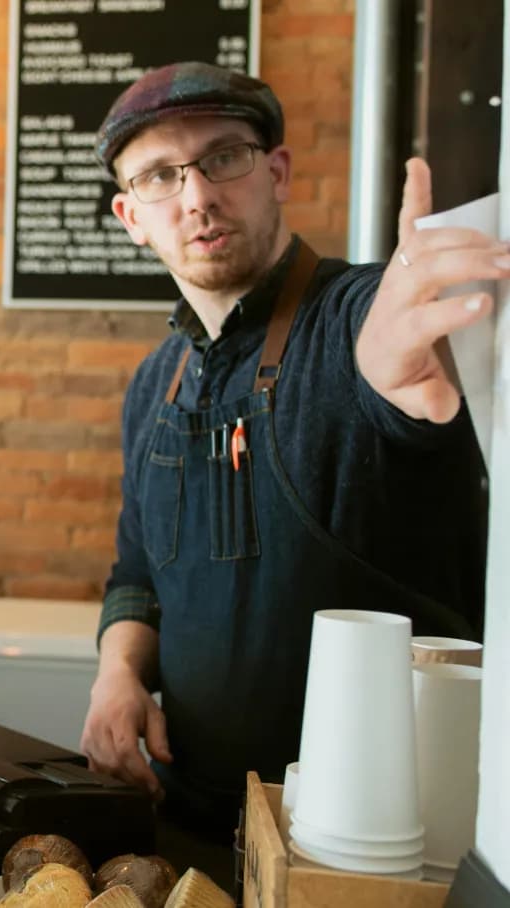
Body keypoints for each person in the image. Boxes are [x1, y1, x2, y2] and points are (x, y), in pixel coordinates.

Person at [78, 62, 491, 841]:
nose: (197, 196)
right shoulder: (153, 385)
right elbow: (137, 572)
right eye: (161, 177)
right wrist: (117, 673)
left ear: (277, 172)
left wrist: (404, 348)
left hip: (361, 850)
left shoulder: (349, 320)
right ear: (132, 216)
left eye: (223, 158)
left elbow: (381, 353)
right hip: (191, 824)